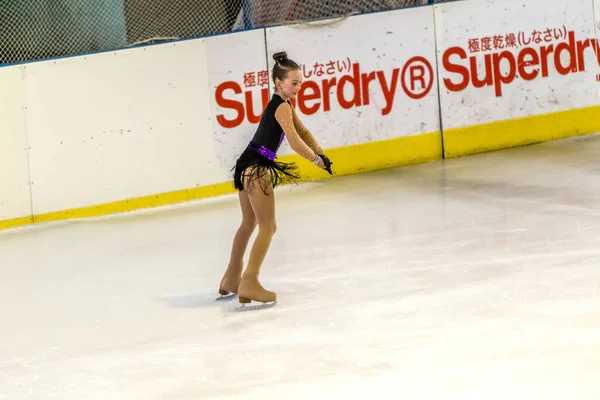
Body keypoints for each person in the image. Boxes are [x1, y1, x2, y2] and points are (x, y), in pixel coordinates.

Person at [217, 51, 333, 310]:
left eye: (301, 82)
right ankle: (249, 281)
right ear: (279, 83)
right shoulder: (281, 107)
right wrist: (315, 161)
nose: (299, 87)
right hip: (257, 169)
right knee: (268, 227)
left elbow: (302, 131)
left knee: (249, 222)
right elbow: (294, 141)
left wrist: (322, 154)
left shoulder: (283, 105)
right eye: (294, 82)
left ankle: (231, 277)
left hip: (245, 164)